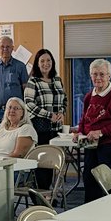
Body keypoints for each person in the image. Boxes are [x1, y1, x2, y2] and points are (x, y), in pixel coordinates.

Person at [76, 58, 111, 203]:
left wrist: (101, 132)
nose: (98, 78)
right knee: (89, 179)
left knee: (110, 182)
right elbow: (84, 119)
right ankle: (90, 211)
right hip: (90, 144)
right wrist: (79, 133)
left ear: (109, 76)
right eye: (94, 74)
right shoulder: (89, 96)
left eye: (102, 74)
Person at [24, 48, 66, 188]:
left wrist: (61, 112)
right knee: (43, 163)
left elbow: (64, 99)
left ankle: (50, 192)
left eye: (48, 60)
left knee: (54, 162)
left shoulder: (57, 80)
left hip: (57, 128)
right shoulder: (33, 81)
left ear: (52, 62)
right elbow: (29, 104)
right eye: (42, 61)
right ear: (37, 63)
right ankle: (42, 193)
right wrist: (49, 115)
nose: (46, 63)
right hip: (41, 128)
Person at [0, 36, 29, 127]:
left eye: (8, 47)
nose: (5, 49)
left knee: (16, 135)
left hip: (16, 112)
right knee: (0, 135)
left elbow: (26, 91)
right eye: (2, 47)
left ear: (12, 48)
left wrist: (26, 112)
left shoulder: (21, 66)